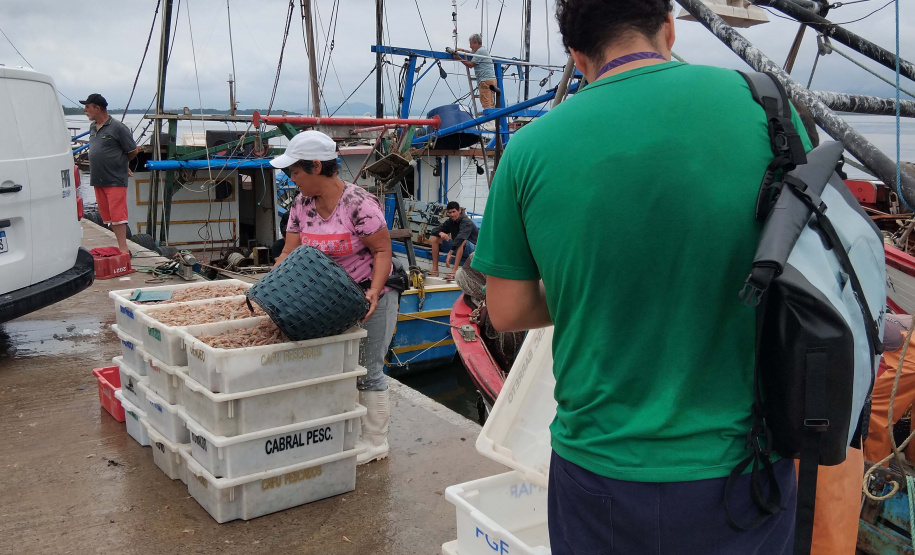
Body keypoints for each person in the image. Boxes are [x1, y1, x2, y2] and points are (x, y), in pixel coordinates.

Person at [471, 1, 813, 552]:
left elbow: (507, 310)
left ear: (577, 56)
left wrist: (591, 288)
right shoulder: (768, 107)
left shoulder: (530, 148)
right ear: (669, 27)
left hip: (601, 465)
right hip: (747, 460)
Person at [271, 130, 397, 465]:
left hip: (369, 296)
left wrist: (372, 291)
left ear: (315, 166)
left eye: (294, 172)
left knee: (368, 370)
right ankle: (345, 433)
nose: (291, 178)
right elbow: (289, 251)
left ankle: (375, 442)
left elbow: (383, 250)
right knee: (337, 369)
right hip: (325, 303)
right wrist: (272, 282)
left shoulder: (358, 204)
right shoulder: (300, 205)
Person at [82, 93, 138, 254]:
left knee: (118, 216)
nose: (85, 110)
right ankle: (120, 245)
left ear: (97, 108)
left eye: (87, 107)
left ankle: (123, 248)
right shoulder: (93, 127)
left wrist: (122, 164)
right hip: (98, 178)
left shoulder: (118, 127)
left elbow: (133, 150)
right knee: (107, 216)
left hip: (114, 179)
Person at [428, 201, 478, 279]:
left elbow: (460, 238)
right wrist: (441, 233)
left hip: (473, 250)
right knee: (435, 238)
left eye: (454, 212)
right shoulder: (451, 221)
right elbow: (434, 230)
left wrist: (450, 253)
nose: (452, 215)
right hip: (458, 246)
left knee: (461, 241)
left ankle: (454, 271)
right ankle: (435, 269)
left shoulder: (466, 222)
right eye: (450, 212)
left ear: (459, 211)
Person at [453, 34, 498, 109]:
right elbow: (471, 52)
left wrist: (458, 58)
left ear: (476, 43)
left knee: (486, 104)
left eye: (471, 44)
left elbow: (471, 64)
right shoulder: (482, 50)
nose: (470, 46)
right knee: (490, 103)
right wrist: (463, 50)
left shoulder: (480, 52)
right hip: (491, 80)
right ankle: (493, 120)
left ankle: (490, 120)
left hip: (485, 81)